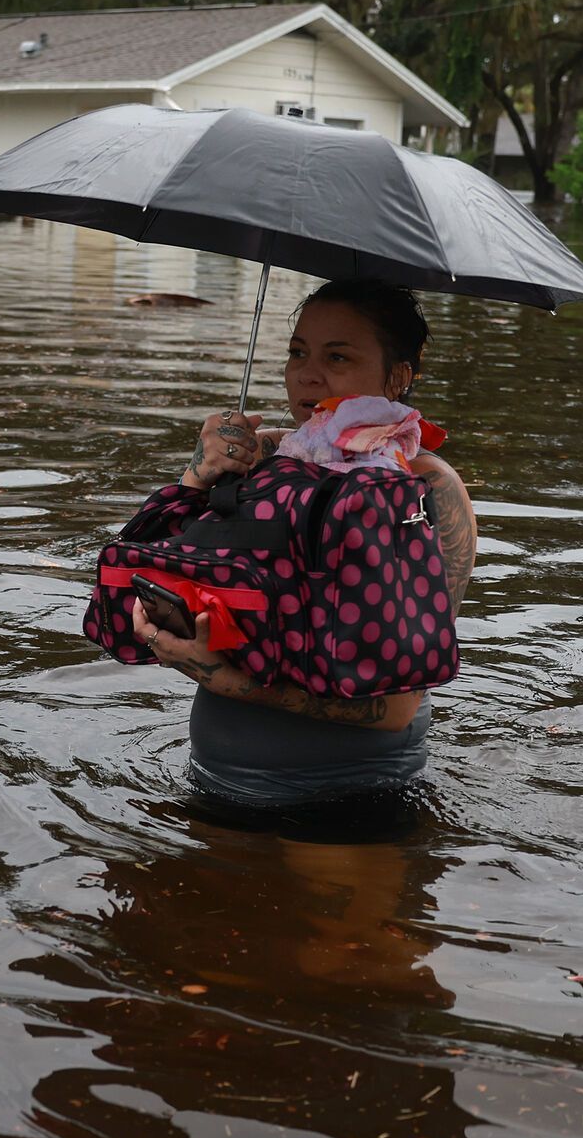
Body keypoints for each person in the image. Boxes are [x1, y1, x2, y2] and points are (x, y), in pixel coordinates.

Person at [128, 278, 478, 804]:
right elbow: (153, 568)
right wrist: (199, 476)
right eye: (297, 353)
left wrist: (225, 681)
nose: (307, 376)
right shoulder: (262, 458)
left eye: (337, 358)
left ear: (398, 376)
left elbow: (397, 706)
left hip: (350, 796)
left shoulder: (425, 488)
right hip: (215, 777)